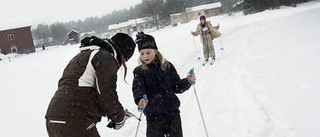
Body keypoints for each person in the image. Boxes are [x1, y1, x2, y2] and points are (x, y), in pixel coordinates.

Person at [45, 33, 136, 137]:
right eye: (124, 61)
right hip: (75, 120)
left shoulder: (82, 56)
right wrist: (119, 117)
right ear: (122, 55)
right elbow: (106, 96)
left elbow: (80, 91)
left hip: (53, 118)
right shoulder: (105, 57)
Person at [132, 32, 196, 137]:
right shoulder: (139, 71)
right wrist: (140, 100)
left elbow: (177, 86)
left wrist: (188, 81)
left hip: (173, 114)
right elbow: (138, 88)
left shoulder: (167, 67)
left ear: (156, 51)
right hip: (153, 117)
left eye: (148, 52)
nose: (145, 56)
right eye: (142, 53)